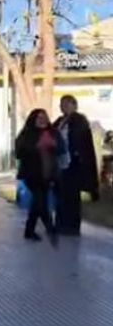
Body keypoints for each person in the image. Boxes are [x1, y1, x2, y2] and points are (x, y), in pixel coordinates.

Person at [16, 109, 65, 242]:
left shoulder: (53, 132)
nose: (42, 120)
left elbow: (62, 149)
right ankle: (49, 228)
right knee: (40, 200)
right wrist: (37, 146)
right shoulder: (27, 133)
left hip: (49, 174)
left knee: (38, 202)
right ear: (33, 119)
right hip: (32, 174)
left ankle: (30, 231)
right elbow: (18, 152)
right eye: (39, 118)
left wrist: (53, 145)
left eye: (45, 117)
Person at [54, 95, 99, 235]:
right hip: (60, 162)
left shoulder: (79, 120)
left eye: (67, 104)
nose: (64, 107)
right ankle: (60, 224)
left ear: (74, 105)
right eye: (62, 104)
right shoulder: (60, 121)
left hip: (74, 163)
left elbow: (82, 142)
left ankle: (72, 226)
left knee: (72, 195)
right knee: (60, 194)